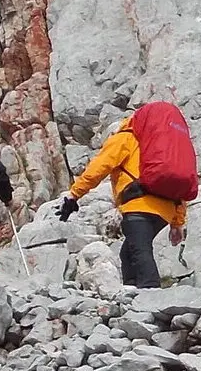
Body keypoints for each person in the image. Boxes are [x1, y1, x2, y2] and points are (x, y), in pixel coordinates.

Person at [59, 119, 187, 287]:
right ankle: (132, 294)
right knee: (127, 253)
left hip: (138, 205)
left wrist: (74, 194)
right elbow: (179, 183)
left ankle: (151, 292)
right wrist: (177, 223)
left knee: (140, 252)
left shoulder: (124, 138)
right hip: (165, 210)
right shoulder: (157, 146)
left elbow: (98, 168)